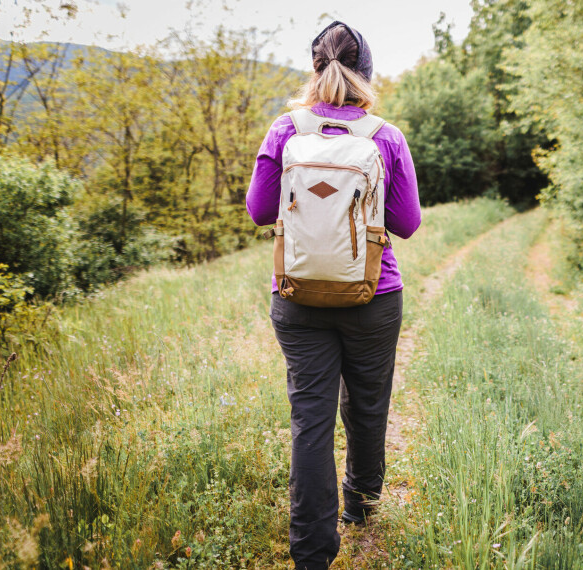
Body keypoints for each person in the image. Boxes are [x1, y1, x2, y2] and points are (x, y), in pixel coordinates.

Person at [245, 21, 421, 570]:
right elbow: (406, 223)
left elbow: (257, 212)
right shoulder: (384, 136)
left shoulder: (284, 129)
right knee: (367, 404)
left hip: (297, 298)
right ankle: (362, 506)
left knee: (311, 417)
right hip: (372, 294)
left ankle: (312, 552)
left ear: (314, 68)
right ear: (365, 73)